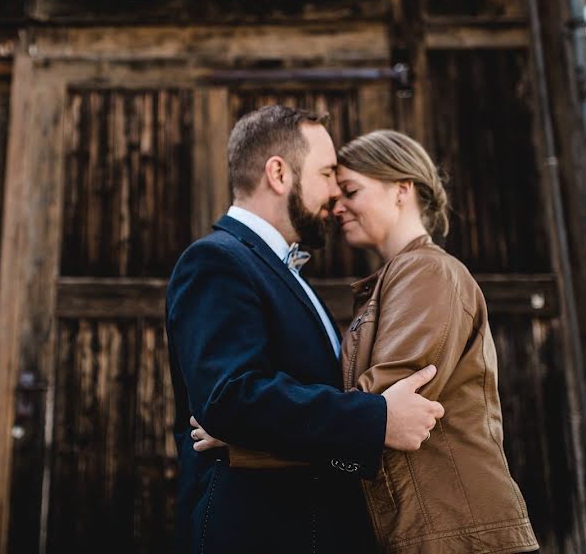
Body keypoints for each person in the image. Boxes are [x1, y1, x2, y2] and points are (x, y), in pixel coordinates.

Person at [191, 129, 539, 553]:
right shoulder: (390, 283)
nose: (336, 207)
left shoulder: (427, 273)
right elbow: (373, 416)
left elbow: (386, 410)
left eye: (350, 191)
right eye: (335, 194)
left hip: (458, 534)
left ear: (402, 189)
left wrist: (245, 440)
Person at [165, 106, 445, 554]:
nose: (336, 194)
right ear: (279, 173)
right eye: (328, 173)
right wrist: (377, 419)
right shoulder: (217, 261)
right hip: (256, 533)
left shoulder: (282, 270)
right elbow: (230, 395)